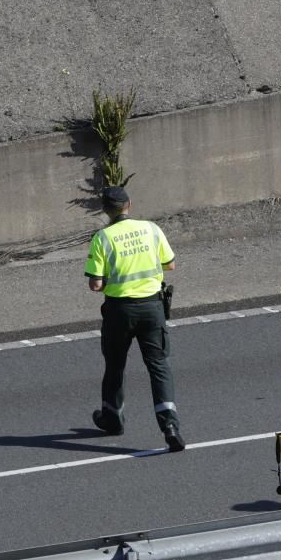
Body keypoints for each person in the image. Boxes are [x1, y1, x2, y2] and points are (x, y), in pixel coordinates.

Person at [85, 186, 185, 452]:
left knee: (115, 365)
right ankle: (170, 426)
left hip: (119, 311)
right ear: (130, 204)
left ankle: (113, 419)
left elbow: (95, 285)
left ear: (104, 209)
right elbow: (170, 264)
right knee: (159, 366)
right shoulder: (151, 229)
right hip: (152, 309)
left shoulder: (102, 238)